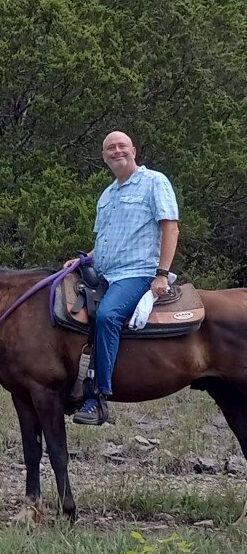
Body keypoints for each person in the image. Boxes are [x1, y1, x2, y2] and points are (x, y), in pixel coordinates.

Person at [74, 130, 179, 425]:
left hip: (137, 273)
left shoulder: (154, 182)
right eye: (110, 148)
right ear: (104, 156)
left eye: (122, 146)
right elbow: (105, 239)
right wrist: (84, 259)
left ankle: (98, 396)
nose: (116, 151)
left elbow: (170, 228)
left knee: (107, 315)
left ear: (134, 150)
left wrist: (160, 274)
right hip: (105, 273)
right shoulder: (107, 194)